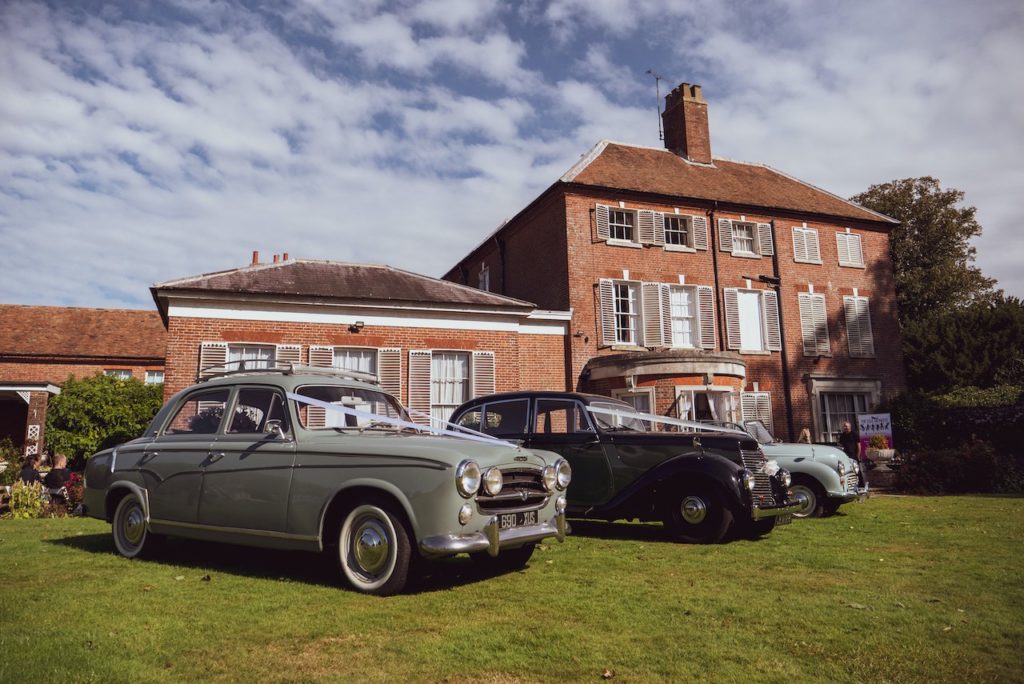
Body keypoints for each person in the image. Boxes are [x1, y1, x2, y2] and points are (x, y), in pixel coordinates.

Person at [838, 421, 867, 486]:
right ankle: (849, 484)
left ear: (850, 427)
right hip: (846, 455)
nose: (845, 428)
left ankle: (861, 484)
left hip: (854, 455)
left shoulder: (854, 434)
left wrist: (858, 455)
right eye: (844, 426)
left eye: (847, 426)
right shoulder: (842, 435)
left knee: (856, 470)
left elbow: (859, 445)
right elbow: (840, 445)